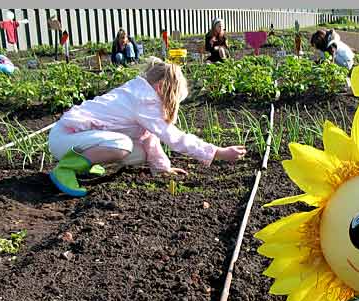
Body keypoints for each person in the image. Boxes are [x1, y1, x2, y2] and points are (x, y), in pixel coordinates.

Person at [48, 57, 247, 197]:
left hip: (77, 139)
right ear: (161, 88)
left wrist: (162, 168)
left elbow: (150, 136)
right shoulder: (144, 100)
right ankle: (65, 168)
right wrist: (218, 152)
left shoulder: (140, 93)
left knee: (138, 153)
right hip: (65, 138)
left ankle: (85, 164)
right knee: (122, 144)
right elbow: (174, 137)